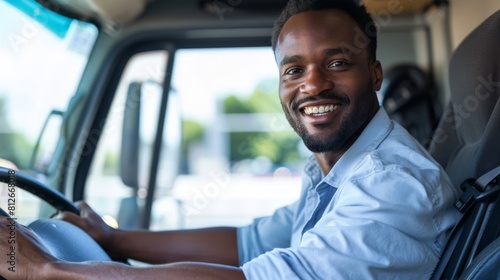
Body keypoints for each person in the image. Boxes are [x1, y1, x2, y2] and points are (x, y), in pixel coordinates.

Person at [0, 0, 462, 279]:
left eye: (337, 63)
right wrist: (113, 241)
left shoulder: (393, 184)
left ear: (375, 73)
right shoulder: (340, 169)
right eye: (293, 70)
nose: (313, 85)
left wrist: (48, 269)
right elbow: (250, 242)